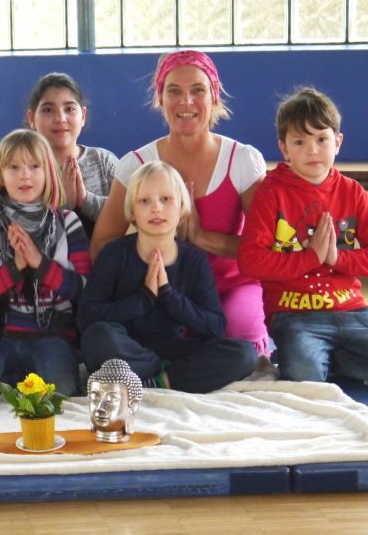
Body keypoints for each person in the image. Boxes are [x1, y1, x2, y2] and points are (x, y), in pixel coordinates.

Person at [90, 50, 270, 356]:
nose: (186, 102)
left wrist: (202, 239)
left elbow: (264, 251)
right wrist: (143, 279)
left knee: (239, 341)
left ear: (214, 96)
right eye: (174, 91)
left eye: (197, 90)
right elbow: (102, 244)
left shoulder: (242, 160)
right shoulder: (136, 163)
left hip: (228, 287)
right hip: (160, 288)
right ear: (160, 99)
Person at [237, 87, 368, 386]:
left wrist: (336, 257)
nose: (313, 150)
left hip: (352, 311)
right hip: (295, 316)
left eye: (322, 139)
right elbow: (251, 261)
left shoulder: (351, 191)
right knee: (306, 380)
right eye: (300, 141)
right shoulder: (272, 192)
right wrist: (310, 257)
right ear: (284, 149)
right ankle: (321, 359)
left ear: (338, 142)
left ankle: (335, 359)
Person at [79, 162, 257, 394]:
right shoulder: (115, 254)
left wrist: (168, 294)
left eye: (166, 199)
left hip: (175, 349)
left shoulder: (194, 260)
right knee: (97, 338)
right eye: (144, 201)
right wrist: (143, 298)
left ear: (182, 207)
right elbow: (87, 317)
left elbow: (215, 325)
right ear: (132, 212)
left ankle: (157, 380)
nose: (156, 209)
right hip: (127, 346)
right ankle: (159, 373)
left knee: (244, 355)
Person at [0, 129, 91, 401]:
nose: (25, 175)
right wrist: (14, 269)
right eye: (14, 167)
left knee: (62, 391)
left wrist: (39, 264)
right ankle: (16, 377)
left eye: (34, 166)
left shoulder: (68, 222)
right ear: (1, 177)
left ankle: (24, 378)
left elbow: (85, 291)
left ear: (48, 173)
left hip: (51, 335)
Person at [26, 72, 118, 236]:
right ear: (31, 118)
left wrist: (85, 200)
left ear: (83, 115)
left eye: (69, 109)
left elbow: (130, 212)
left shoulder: (103, 162)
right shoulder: (23, 170)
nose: (60, 118)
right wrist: (63, 205)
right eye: (48, 110)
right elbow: (19, 227)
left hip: (105, 260)